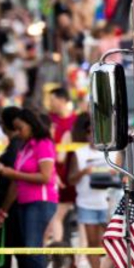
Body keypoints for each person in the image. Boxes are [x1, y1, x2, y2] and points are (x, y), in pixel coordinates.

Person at [0, 108, 57, 268]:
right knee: (29, 252)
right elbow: (16, 183)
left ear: (30, 125)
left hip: (40, 202)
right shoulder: (24, 147)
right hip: (24, 203)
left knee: (33, 250)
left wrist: (12, 173)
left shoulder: (43, 143)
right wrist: (3, 211)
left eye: (20, 128)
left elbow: (46, 176)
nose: (18, 133)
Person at [66, 114, 109, 268]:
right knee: (93, 246)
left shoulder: (110, 151)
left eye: (96, 132)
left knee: (111, 244)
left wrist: (113, 174)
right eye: (90, 132)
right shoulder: (79, 153)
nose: (92, 135)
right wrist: (84, 172)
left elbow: (121, 172)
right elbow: (71, 179)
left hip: (108, 202)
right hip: (87, 203)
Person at [0, 107, 25, 268]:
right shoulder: (17, 145)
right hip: (12, 211)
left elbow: (15, 183)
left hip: (11, 212)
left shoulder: (15, 147)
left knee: (5, 261)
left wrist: (2, 211)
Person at [45, 86, 79, 244]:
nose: (50, 104)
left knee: (68, 216)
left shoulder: (76, 121)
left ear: (63, 100)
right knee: (55, 215)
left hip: (71, 176)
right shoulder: (49, 119)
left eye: (53, 100)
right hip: (53, 173)